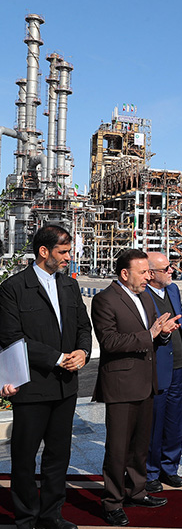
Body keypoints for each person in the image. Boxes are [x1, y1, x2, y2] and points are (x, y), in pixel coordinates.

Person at [0, 225, 92, 529]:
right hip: (32, 387)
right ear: (43, 251)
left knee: (58, 455)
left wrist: (83, 351)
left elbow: (83, 326)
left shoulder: (70, 286)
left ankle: (52, 515)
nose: (69, 257)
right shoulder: (14, 288)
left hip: (66, 388)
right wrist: (57, 358)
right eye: (63, 252)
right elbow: (12, 337)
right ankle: (26, 518)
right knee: (24, 457)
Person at [92, 249, 181, 527]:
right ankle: (112, 502)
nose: (148, 277)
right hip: (121, 385)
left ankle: (137, 491)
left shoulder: (145, 297)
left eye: (149, 272)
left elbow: (154, 336)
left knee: (140, 446)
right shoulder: (105, 299)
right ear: (124, 273)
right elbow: (109, 342)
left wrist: (163, 334)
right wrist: (150, 334)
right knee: (118, 449)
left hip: (146, 382)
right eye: (143, 272)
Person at [142, 252, 182, 493]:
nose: (172, 271)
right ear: (151, 274)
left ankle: (170, 468)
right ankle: (151, 472)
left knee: (175, 421)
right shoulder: (143, 295)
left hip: (178, 367)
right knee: (155, 422)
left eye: (171, 266)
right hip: (156, 368)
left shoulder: (173, 290)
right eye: (166, 268)